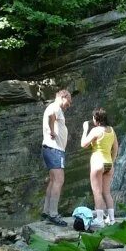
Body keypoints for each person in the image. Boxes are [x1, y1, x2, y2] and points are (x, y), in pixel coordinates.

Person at [80, 109, 119, 228]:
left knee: (97, 192)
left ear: (96, 119)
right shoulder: (111, 130)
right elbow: (116, 147)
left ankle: (100, 219)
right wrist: (112, 161)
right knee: (107, 192)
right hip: (108, 164)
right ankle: (112, 219)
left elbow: (83, 144)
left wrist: (85, 130)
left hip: (98, 163)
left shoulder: (95, 130)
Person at [41, 88, 72, 226]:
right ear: (62, 97)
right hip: (54, 149)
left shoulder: (53, 107)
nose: (69, 105)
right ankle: (53, 214)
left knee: (53, 180)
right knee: (59, 180)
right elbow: (51, 116)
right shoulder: (55, 107)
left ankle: (46, 211)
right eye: (69, 101)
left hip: (51, 149)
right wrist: (52, 131)